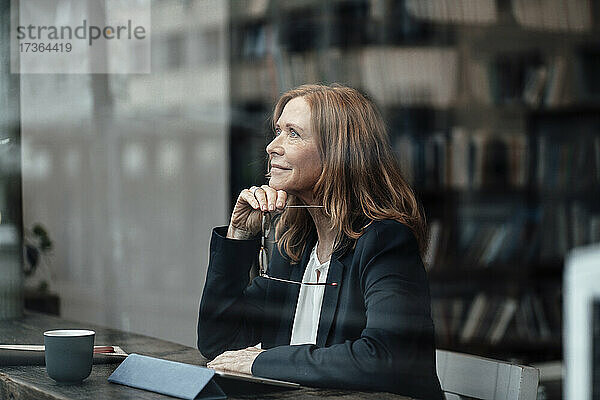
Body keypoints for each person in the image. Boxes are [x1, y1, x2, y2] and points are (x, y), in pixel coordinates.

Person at [197, 84, 443, 399]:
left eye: (293, 134)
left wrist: (262, 362)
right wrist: (239, 236)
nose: (273, 146)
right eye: (277, 131)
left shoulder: (386, 240)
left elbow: (384, 357)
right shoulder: (294, 248)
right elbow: (220, 343)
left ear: (338, 152)